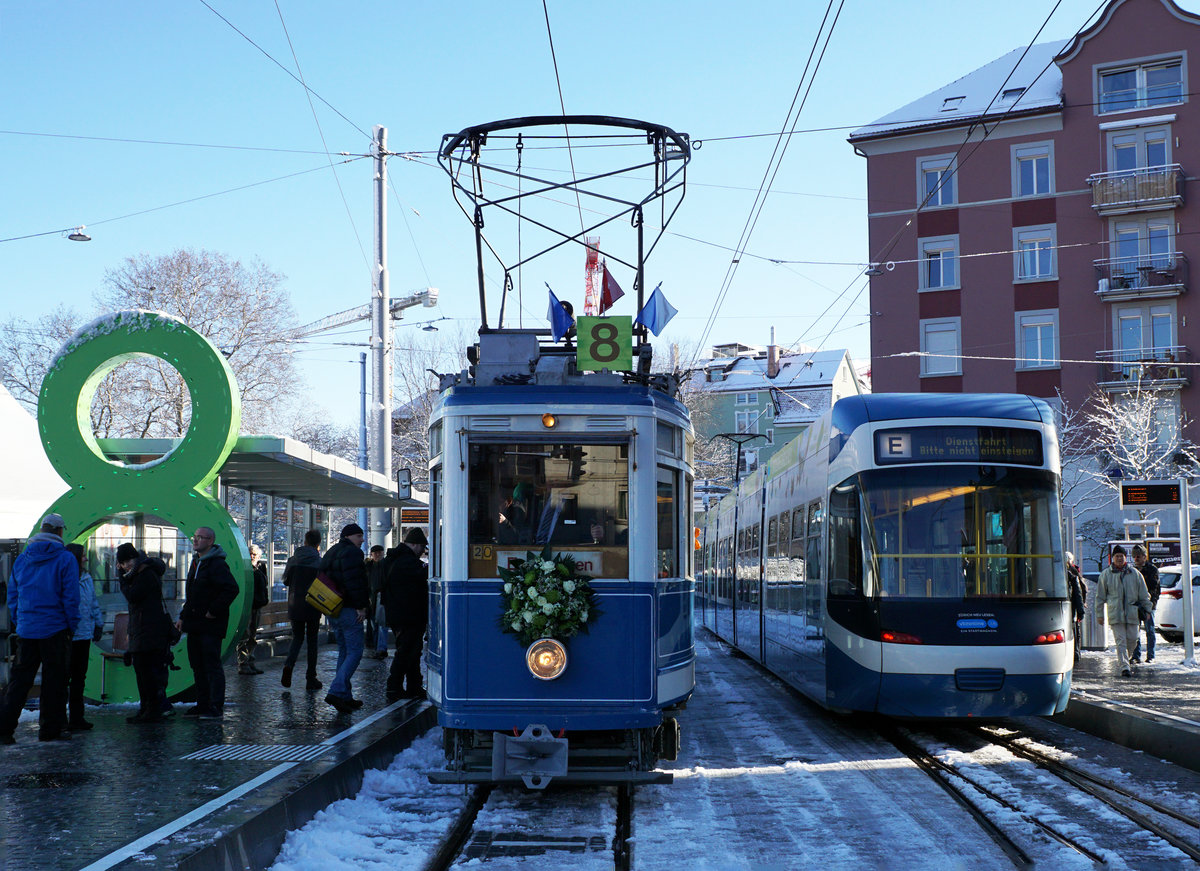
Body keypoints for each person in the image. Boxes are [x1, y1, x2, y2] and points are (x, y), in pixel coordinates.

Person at [0, 513, 80, 744]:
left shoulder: (23, 559)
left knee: (19, 683)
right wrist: (71, 625)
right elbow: (70, 598)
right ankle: (50, 730)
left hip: (27, 631)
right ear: (59, 531)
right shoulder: (65, 559)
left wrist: (21, 621)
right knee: (55, 683)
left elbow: (13, 595)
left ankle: (4, 730)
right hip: (55, 630)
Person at [176, 527, 239, 719]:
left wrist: (213, 610)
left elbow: (231, 589)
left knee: (211, 665)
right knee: (197, 665)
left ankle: (215, 706)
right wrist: (183, 617)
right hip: (195, 624)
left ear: (210, 541)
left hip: (210, 626)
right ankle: (202, 704)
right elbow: (192, 595)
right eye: (195, 537)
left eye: (200, 537)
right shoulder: (197, 562)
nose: (195, 540)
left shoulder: (217, 565)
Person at [117, 542, 172, 724]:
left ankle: (152, 710)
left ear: (136, 558)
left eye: (129, 561)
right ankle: (146, 709)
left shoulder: (145, 574)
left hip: (149, 632)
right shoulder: (138, 574)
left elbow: (132, 596)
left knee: (147, 674)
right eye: (123, 563)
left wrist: (121, 579)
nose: (127, 566)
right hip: (142, 631)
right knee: (142, 673)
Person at [320, 523, 370, 714]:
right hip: (349, 608)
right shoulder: (353, 553)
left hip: (333, 608)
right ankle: (336, 691)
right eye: (359, 536)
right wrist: (361, 606)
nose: (362, 540)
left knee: (344, 650)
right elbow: (355, 582)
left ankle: (345, 696)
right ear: (348, 536)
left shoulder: (332, 551)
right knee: (355, 651)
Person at [383, 527, 429, 702]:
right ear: (415, 544)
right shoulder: (408, 562)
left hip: (399, 613)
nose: (423, 551)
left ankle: (413, 686)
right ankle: (395, 686)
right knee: (407, 651)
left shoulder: (394, 559)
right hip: (409, 614)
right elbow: (421, 576)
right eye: (422, 547)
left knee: (411, 651)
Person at [1095, 545, 1152, 678]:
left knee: (1133, 639)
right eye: (1117, 556)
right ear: (1112, 558)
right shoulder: (1106, 574)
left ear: (1126, 558)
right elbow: (1100, 597)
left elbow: (1144, 594)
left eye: (1121, 556)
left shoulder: (1135, 574)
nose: (1119, 558)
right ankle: (1124, 667)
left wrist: (1148, 610)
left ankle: (1126, 657)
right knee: (1120, 641)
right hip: (1115, 613)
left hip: (1133, 613)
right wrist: (1099, 615)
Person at [65, 543, 103, 732]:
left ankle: (77, 718)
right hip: (69, 637)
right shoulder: (65, 578)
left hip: (84, 635)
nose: (86, 559)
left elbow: (93, 602)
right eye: (82, 556)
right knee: (65, 678)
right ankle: (61, 719)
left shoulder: (86, 578)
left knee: (79, 678)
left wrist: (98, 624)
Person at [281, 530, 324, 692]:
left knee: (297, 637)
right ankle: (311, 678)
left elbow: (286, 581)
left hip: (295, 605)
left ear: (305, 541)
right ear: (318, 543)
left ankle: (288, 665)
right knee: (312, 641)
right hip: (313, 604)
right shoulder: (319, 561)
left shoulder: (293, 560)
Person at [236, 544, 269, 675]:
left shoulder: (261, 568)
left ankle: (250, 661)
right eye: (250, 554)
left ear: (259, 556)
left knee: (252, 636)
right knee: (245, 635)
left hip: (257, 605)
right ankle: (243, 663)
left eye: (254, 554)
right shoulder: (245, 568)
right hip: (247, 606)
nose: (252, 556)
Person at [1131, 544, 1161, 664]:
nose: (1136, 558)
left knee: (1150, 630)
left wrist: (1150, 605)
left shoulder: (1152, 570)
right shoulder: (1132, 570)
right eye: (1134, 556)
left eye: (1138, 556)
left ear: (1144, 556)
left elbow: (1154, 589)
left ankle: (1151, 655)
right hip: (1136, 604)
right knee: (1135, 631)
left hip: (1149, 604)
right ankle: (1136, 655)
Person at [364, 545, 389, 660]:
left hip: (377, 599)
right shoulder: (384, 565)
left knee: (379, 625)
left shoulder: (369, 567)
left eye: (379, 552)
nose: (378, 554)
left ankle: (380, 649)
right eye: (376, 553)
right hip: (373, 600)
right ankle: (379, 648)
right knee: (377, 625)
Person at [1065, 551, 1086, 665]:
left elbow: (1079, 592)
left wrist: (1080, 609)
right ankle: (1075, 653)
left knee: (1073, 630)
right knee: (1074, 631)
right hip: (1072, 607)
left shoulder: (1070, 574)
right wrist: (1081, 609)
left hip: (1071, 608)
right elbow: (1080, 592)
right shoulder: (1074, 573)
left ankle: (1075, 653)